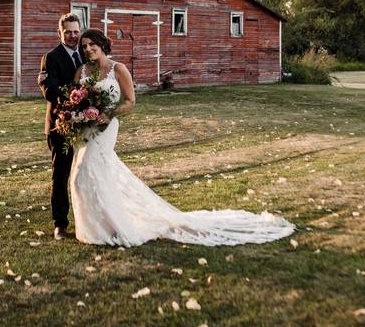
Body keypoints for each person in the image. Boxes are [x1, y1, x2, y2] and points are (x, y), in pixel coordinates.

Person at [69, 28, 295, 247]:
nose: (88, 49)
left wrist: (108, 114)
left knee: (86, 172)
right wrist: (79, 114)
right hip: (85, 129)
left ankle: (113, 226)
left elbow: (130, 101)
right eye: (84, 46)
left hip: (107, 127)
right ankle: (98, 227)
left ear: (102, 45)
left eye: (92, 45)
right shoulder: (82, 72)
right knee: (87, 175)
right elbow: (73, 99)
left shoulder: (117, 69)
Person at [38, 13, 83, 240]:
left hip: (86, 124)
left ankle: (89, 219)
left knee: (86, 172)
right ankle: (60, 224)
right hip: (60, 125)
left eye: (76, 31)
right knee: (61, 174)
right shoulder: (51, 57)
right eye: (68, 32)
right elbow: (50, 91)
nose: (73, 36)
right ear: (60, 33)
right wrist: (74, 102)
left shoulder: (86, 53)